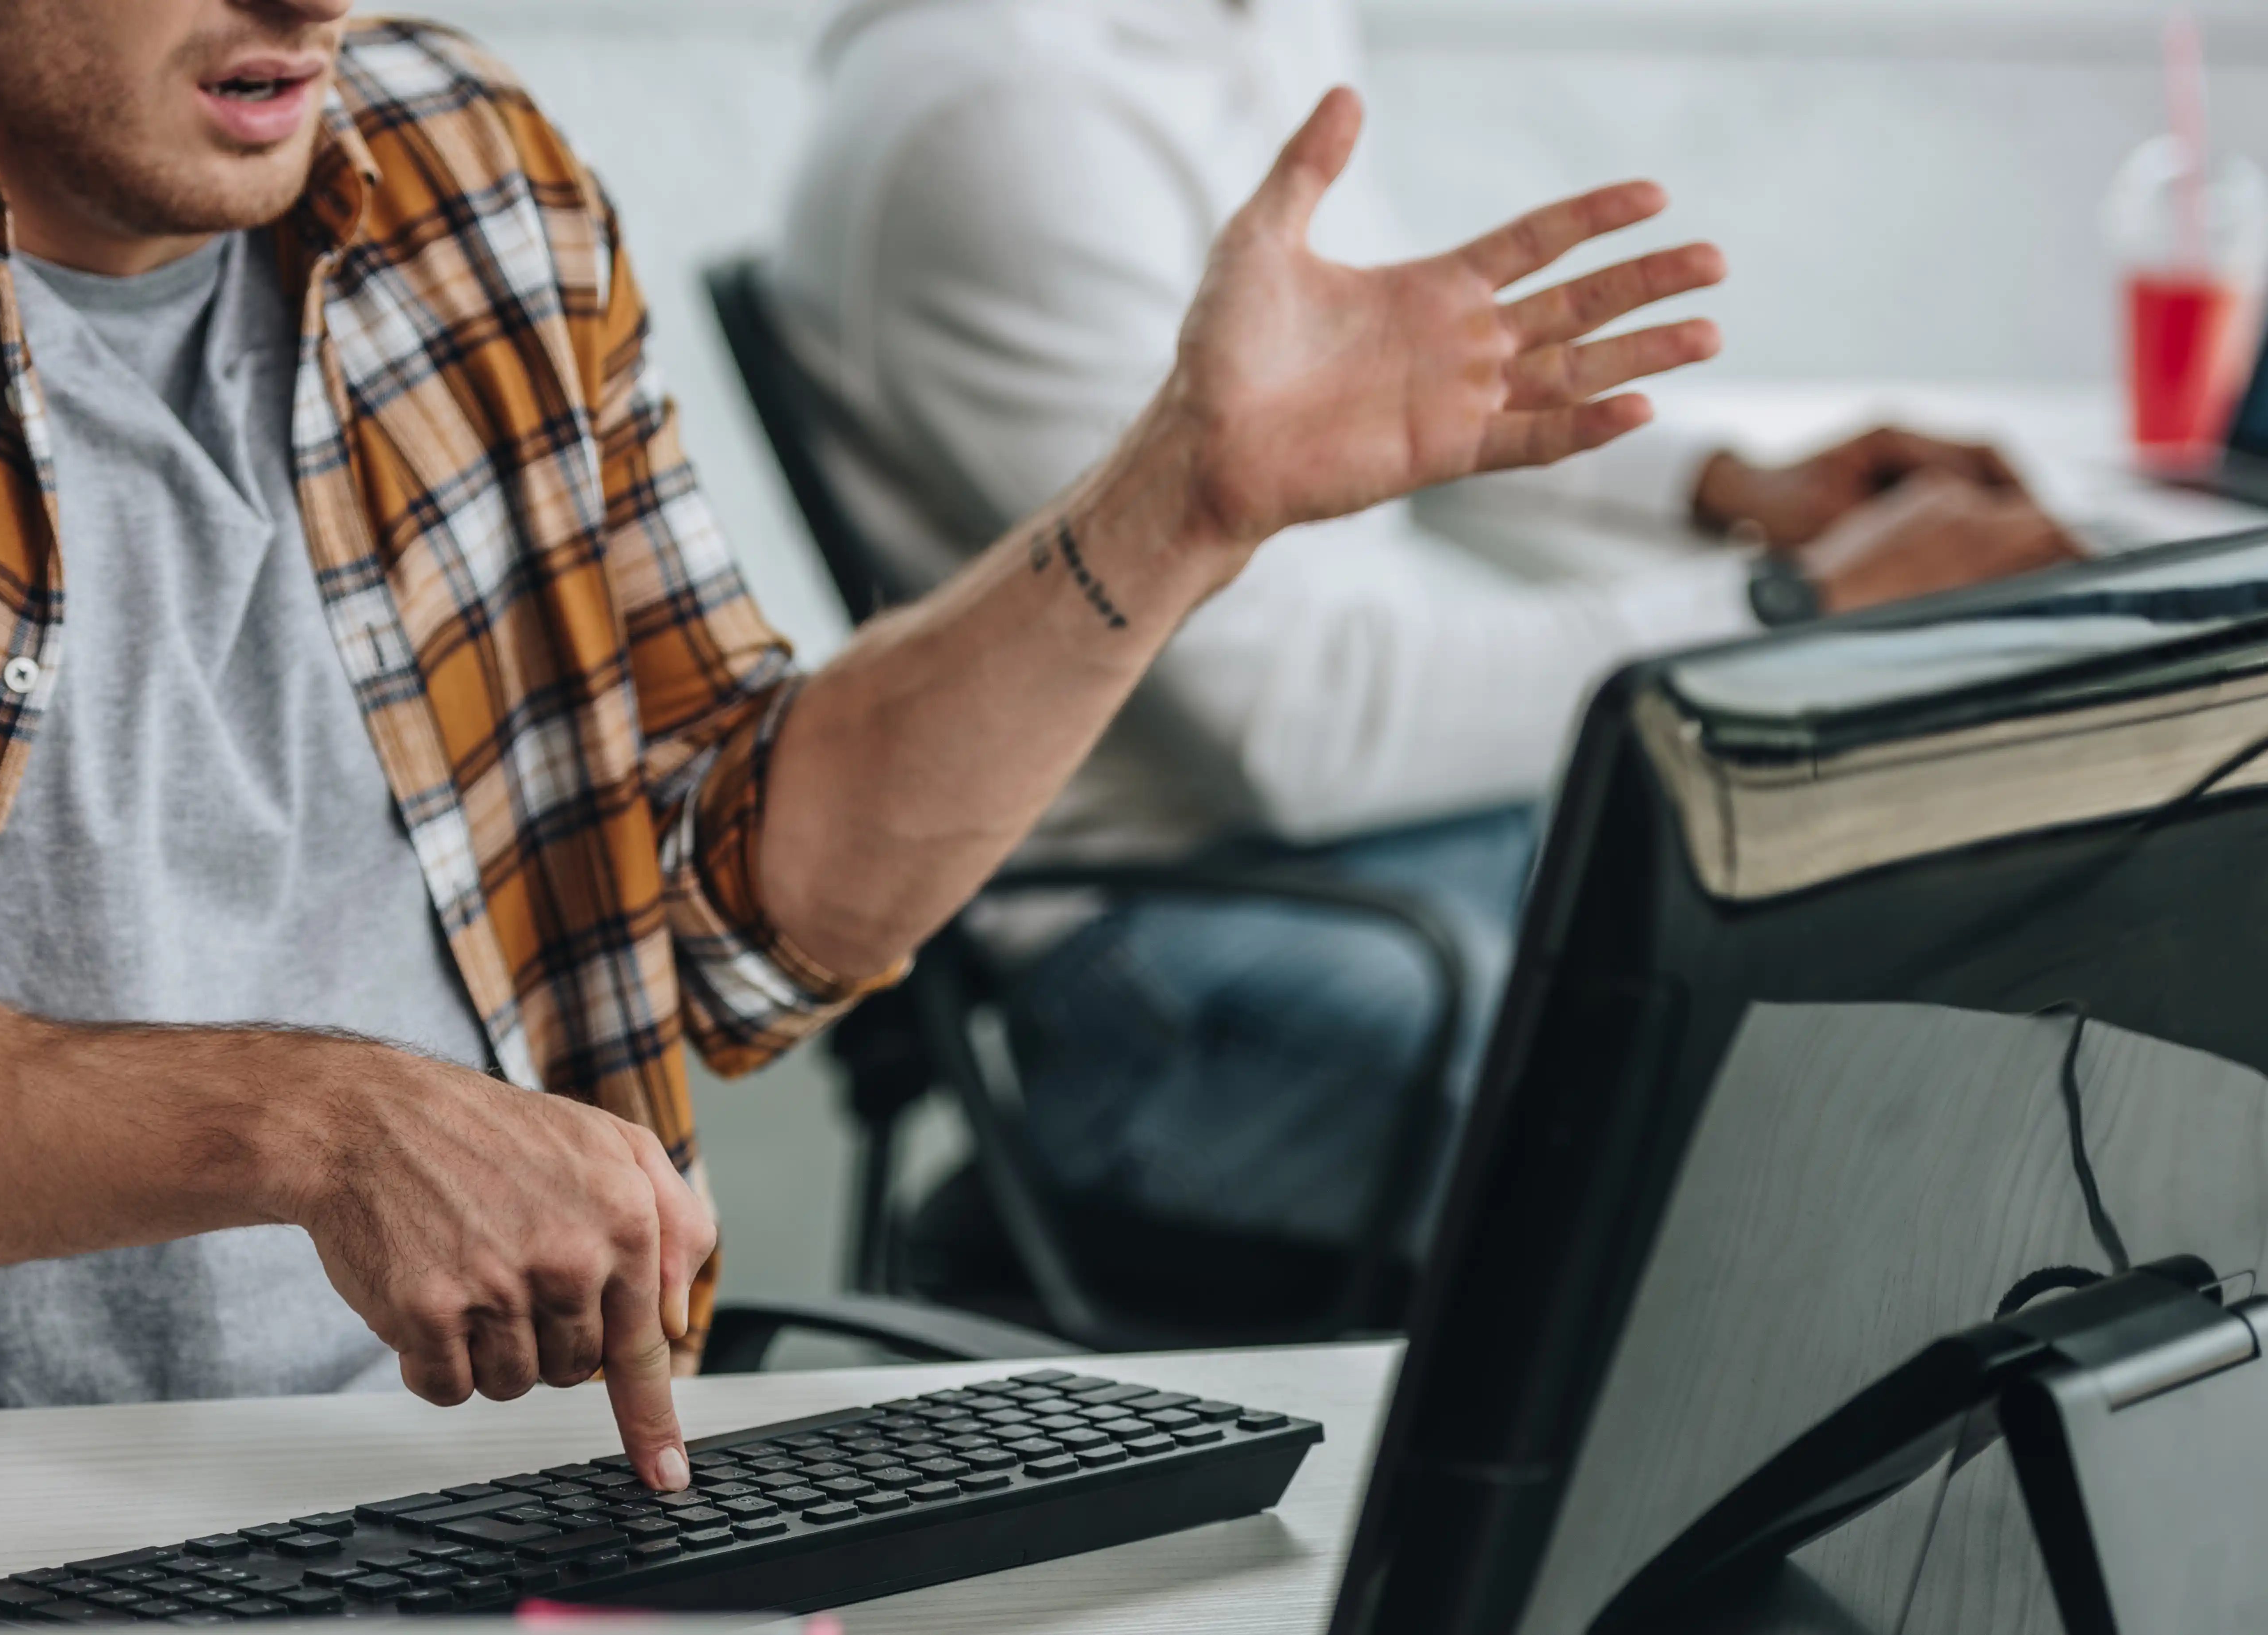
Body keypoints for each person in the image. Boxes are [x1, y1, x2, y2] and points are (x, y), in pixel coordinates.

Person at [0, 0, 1724, 1485]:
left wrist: (1180, 504)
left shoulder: (459, 178)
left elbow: (721, 888)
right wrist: (323, 1122)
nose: (312, 6)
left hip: (498, 1501)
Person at [771, 0, 2084, 1262]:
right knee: (1782, 1153)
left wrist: (1731, 493)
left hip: (1373, 856)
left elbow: (1390, 400)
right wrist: (1793, 609)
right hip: (1163, 951)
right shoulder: (1008, 124)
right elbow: (1297, 728)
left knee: (1895, 991)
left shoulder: (1239, 22)